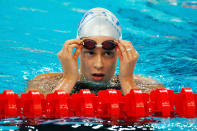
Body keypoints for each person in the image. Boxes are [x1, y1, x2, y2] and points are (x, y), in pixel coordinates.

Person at [26, 8, 164, 95]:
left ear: (119, 53)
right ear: (78, 51)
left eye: (108, 53)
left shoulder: (149, 86)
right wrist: (68, 78)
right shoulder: (43, 82)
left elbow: (145, 124)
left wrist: (127, 80)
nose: (99, 64)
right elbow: (36, 123)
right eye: (90, 53)